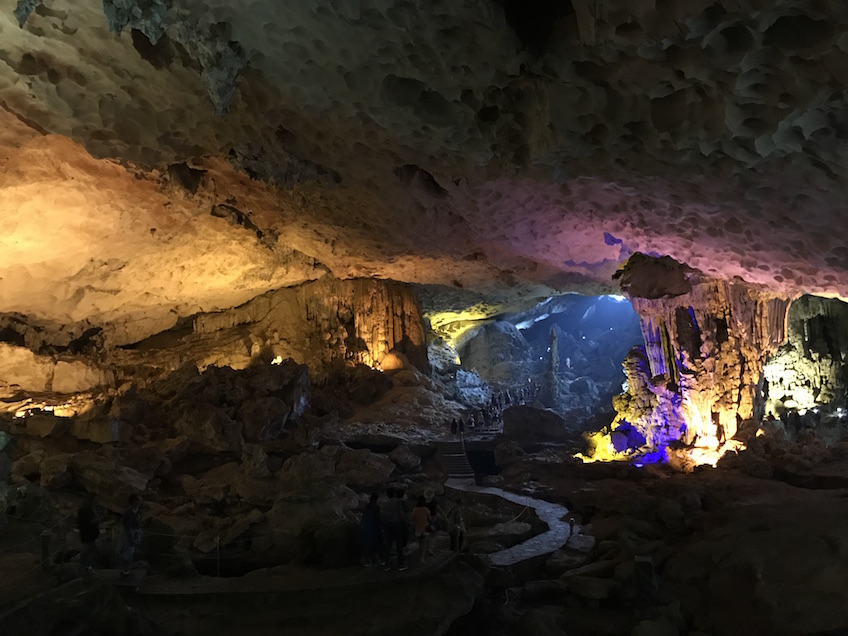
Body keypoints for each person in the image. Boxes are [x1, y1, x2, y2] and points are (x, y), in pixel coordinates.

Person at [381, 488, 408, 571]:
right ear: (394, 494)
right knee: (399, 545)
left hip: (387, 524)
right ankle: (401, 564)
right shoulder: (397, 502)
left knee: (388, 545)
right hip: (396, 524)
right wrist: (406, 523)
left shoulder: (384, 504)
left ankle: (386, 564)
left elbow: (382, 516)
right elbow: (401, 515)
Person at [118, 493, 143, 577]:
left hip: (133, 532)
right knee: (128, 552)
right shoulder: (129, 512)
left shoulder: (135, 510)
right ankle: (125, 570)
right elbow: (127, 526)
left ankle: (127, 569)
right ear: (134, 501)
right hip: (129, 533)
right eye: (139, 500)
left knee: (130, 552)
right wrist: (131, 538)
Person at [360, 492, 384, 566]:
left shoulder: (367, 506)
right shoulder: (376, 507)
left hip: (366, 526)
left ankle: (368, 560)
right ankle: (381, 560)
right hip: (373, 527)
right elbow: (377, 518)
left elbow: (363, 517)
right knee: (378, 543)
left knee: (367, 544)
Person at [77, 498, 100, 573]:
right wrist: (96, 520)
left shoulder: (88, 510)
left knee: (90, 549)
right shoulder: (85, 511)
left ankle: (86, 566)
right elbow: (86, 523)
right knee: (88, 549)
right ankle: (85, 566)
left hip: (90, 533)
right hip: (88, 533)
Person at [411, 495, 432, 563]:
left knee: (420, 543)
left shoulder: (415, 509)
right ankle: (422, 558)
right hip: (425, 528)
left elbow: (413, 519)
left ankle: (420, 555)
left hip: (418, 529)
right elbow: (429, 518)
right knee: (424, 544)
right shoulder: (426, 509)